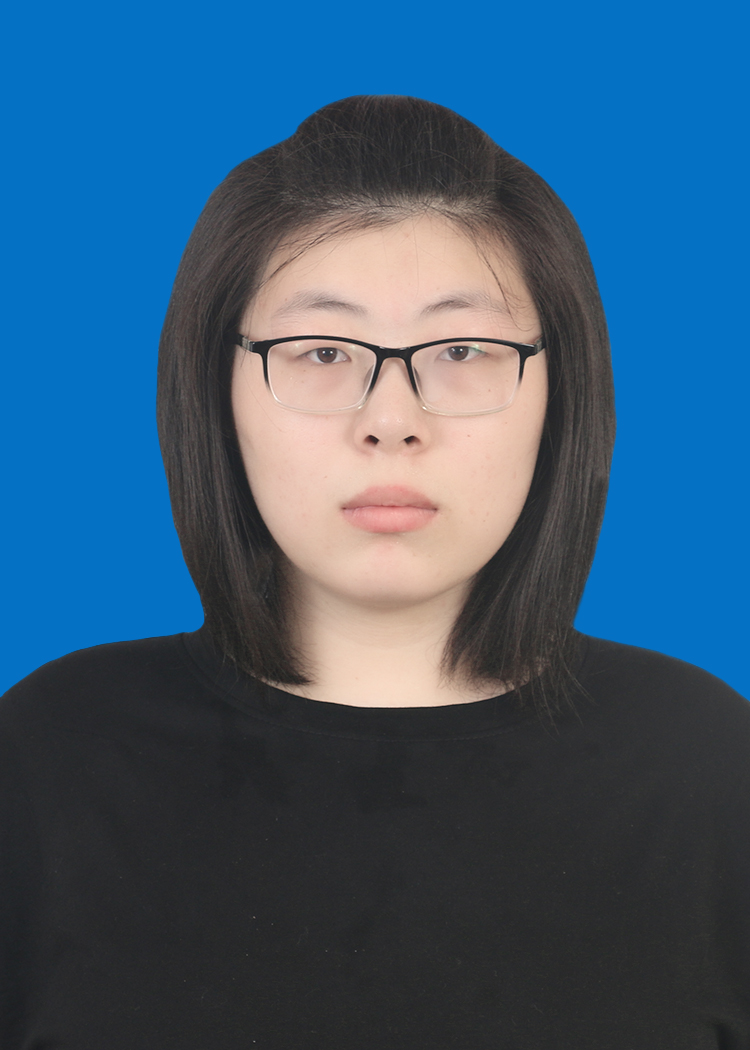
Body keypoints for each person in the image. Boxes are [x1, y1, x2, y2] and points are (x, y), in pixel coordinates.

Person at [1, 95, 748, 1049]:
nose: (391, 420)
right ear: (214, 391)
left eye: (463, 349)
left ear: (560, 396)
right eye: (322, 350)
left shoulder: (710, 767)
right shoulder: (49, 759)